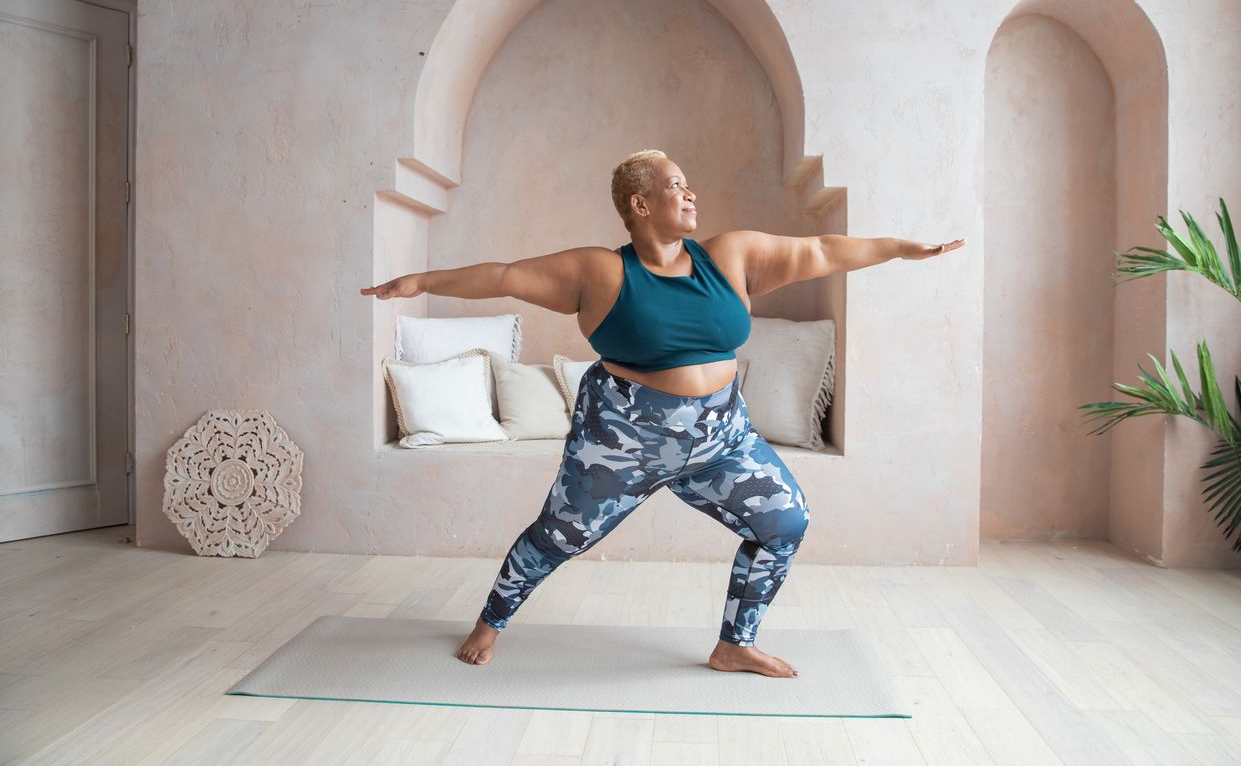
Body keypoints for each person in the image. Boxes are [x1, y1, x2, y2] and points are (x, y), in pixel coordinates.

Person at [361, 149, 964, 677]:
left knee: (785, 522)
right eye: (676, 184)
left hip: (720, 435)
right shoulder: (600, 270)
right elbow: (505, 275)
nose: (690, 192)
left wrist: (901, 249)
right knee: (559, 535)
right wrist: (421, 280)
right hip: (623, 439)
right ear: (640, 203)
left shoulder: (730, 255)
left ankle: (735, 645)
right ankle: (490, 623)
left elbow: (822, 248)